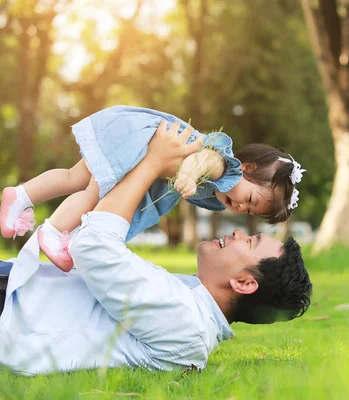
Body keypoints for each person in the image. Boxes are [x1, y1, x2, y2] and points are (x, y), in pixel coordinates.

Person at [0, 122, 312, 375]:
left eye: (251, 241)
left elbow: (92, 246)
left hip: (10, 308)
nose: (237, 232)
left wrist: (152, 163)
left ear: (244, 283)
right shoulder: (188, 302)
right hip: (16, 289)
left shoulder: (185, 321)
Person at [0, 105, 306, 271]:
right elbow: (203, 160)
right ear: (247, 170)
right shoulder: (225, 166)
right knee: (92, 192)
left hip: (133, 138)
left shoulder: (221, 191)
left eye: (249, 211)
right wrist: (187, 174)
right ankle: (53, 232)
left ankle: (20, 196)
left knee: (73, 178)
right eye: (250, 199)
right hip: (141, 146)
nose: (240, 208)